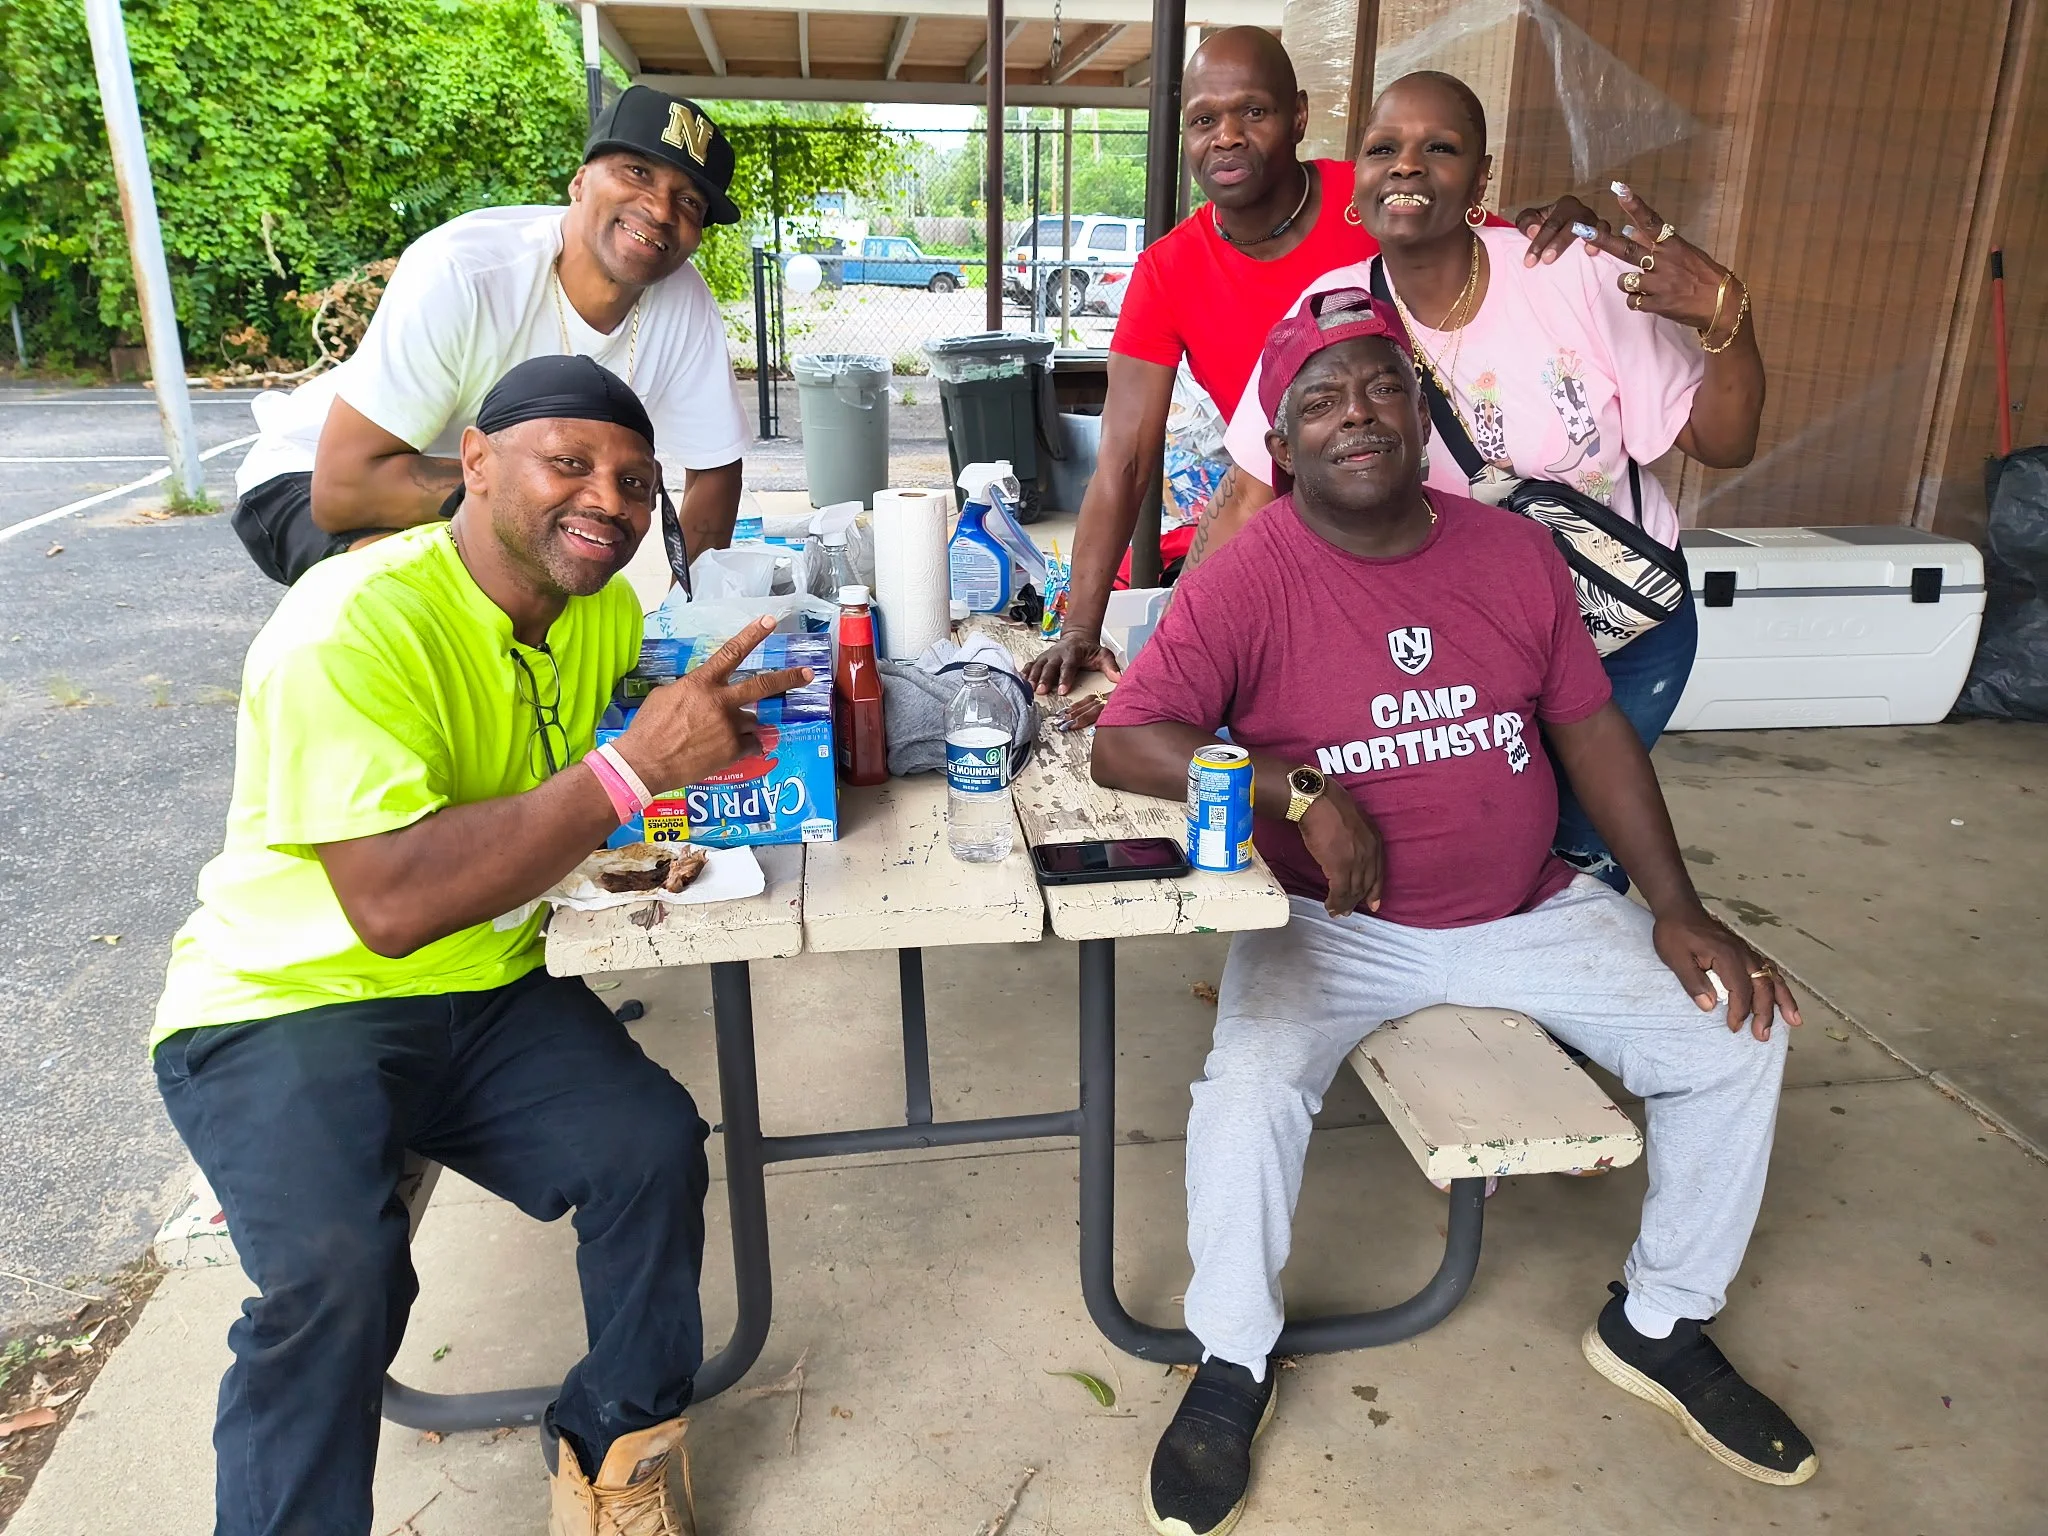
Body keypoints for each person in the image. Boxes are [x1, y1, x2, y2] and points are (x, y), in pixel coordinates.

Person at [1091, 293, 1814, 1536]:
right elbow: (1124, 742)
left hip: (1527, 907)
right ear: (1278, 438)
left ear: (1419, 406)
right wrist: (1293, 786)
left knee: (1736, 1032)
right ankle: (1229, 1360)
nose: (1354, 417)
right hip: (1331, 924)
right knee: (1247, 1089)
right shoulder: (1246, 574)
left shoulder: (1509, 551)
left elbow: (1587, 727)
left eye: (1378, 387)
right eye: (1317, 402)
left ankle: (1656, 1322)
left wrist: (1674, 906)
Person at [154, 355, 810, 1536]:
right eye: (568, 464)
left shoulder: (601, 609)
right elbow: (393, 906)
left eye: (632, 478)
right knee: (336, 1275)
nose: (606, 500)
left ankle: (615, 1454)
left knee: (650, 1152)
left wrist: (728, 743)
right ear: (473, 464)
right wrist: (633, 767)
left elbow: (617, 743)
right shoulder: (349, 624)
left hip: (489, 986)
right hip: (282, 1002)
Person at [1218, 69, 1766, 892]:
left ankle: (1569, 1011)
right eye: (1382, 149)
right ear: (1356, 185)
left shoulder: (1568, 275)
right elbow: (1254, 491)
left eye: (1438, 148)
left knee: (1580, 857)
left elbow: (1724, 440)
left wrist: (1729, 317)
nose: (1406, 165)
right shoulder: (1329, 311)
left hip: (1618, 632)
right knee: (1478, 857)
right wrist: (1169, 654)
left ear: (1483, 181)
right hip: (1461, 658)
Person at [1024, 32, 1597, 705]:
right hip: (1293, 529)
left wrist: (1568, 227)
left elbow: (1498, 248)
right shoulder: (1168, 271)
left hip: (1441, 524)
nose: (1227, 137)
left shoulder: (1374, 204)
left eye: (1253, 113)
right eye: (1204, 120)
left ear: (1298, 116)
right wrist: (1081, 627)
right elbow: (1123, 458)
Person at [231, 85, 752, 587]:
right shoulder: (464, 270)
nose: (660, 211)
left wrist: (691, 625)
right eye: (637, 173)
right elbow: (341, 489)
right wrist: (558, 494)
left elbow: (715, 476)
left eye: (689, 202)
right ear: (579, 181)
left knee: (578, 619)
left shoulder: (683, 300)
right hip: (310, 475)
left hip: (487, 503)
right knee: (423, 602)